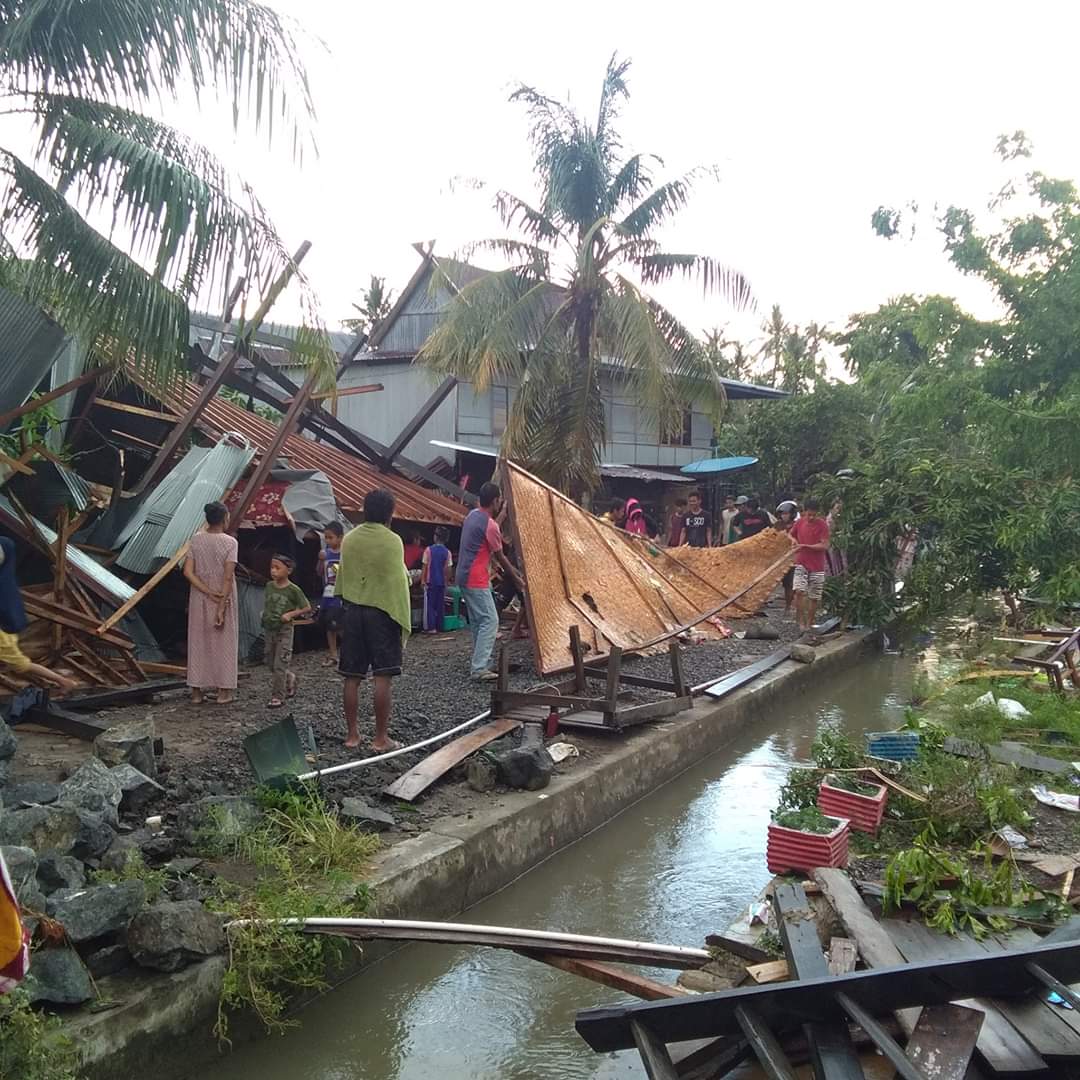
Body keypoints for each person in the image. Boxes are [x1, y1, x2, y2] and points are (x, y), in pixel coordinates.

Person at [336, 488, 412, 751]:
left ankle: (352, 736)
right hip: (383, 613)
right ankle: (380, 739)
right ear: (389, 513)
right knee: (382, 677)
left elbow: (343, 577)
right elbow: (398, 581)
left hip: (354, 611)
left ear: (364, 509)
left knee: (352, 676)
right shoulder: (393, 541)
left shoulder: (349, 538)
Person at [458, 481, 525, 680]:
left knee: (479, 621)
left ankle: (482, 662)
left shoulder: (472, 516)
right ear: (495, 500)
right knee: (490, 620)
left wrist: (503, 512)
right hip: (475, 577)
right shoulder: (491, 526)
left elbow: (491, 527)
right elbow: (501, 557)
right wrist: (518, 579)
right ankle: (479, 668)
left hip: (464, 575)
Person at [0, 537, 75, 692]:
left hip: (3, 634)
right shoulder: (7, 584)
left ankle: (62, 680)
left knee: (21, 665)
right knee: (21, 665)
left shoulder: (5, 588)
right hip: (6, 631)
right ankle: (61, 678)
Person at [184, 502, 238, 705]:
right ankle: (223, 692)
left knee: (198, 641)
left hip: (199, 596)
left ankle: (196, 692)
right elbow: (227, 576)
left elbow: (188, 572)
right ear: (224, 518)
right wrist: (221, 605)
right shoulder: (230, 542)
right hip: (223, 595)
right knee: (224, 642)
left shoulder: (196, 540)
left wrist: (206, 591)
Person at [262, 554, 311, 708]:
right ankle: (290, 677)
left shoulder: (293, 590)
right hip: (270, 628)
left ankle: (278, 696)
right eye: (272, 567)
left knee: (280, 663)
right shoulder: (269, 586)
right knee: (270, 662)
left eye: (277, 568)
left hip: (285, 629)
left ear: (288, 570)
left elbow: (306, 607)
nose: (273, 571)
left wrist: (290, 614)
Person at [790, 497, 831, 631]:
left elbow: (824, 545)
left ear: (817, 513)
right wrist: (794, 541)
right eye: (809, 514)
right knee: (799, 591)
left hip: (817, 565)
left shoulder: (823, 525)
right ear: (804, 512)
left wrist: (806, 546)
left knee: (814, 596)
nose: (811, 517)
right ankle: (801, 622)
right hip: (801, 562)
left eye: (813, 515)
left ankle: (809, 622)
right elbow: (790, 535)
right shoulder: (799, 523)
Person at [317, 522, 345, 666]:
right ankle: (333, 654)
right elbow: (319, 572)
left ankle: (348, 652)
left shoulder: (345, 554)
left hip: (341, 594)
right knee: (329, 624)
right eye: (326, 538)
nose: (328, 541)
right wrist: (320, 561)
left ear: (340, 537)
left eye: (330, 537)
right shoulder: (325, 554)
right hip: (327, 594)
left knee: (341, 625)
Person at [422, 526, 453, 634]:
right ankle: (440, 626)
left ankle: (431, 628)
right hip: (441, 582)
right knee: (440, 605)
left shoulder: (428, 550)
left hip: (431, 582)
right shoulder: (447, 552)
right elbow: (448, 569)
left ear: (435, 537)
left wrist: (422, 580)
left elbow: (425, 567)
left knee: (430, 605)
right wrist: (447, 581)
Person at [774, 502, 799, 614]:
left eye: (786, 513)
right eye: (782, 514)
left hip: (793, 559)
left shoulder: (797, 525)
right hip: (780, 559)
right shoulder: (777, 525)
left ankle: (789, 606)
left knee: (790, 584)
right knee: (785, 585)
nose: (784, 516)